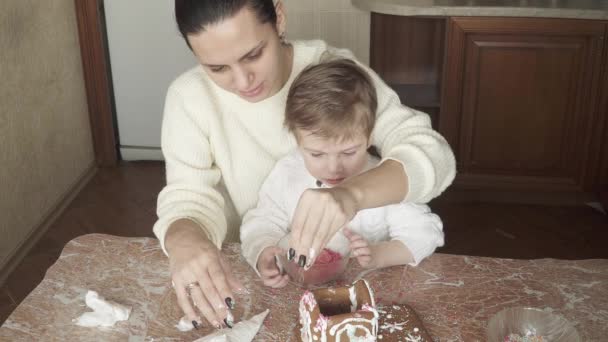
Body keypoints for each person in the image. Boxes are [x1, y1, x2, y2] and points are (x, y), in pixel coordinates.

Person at [155, 0, 455, 330]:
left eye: (253, 54)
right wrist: (185, 239)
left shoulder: (334, 74)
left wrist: (351, 195)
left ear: (279, 18)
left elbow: (433, 155)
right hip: (256, 281)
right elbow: (188, 196)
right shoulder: (189, 97)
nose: (243, 81)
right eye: (217, 68)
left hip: (353, 286)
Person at [240, 59, 445, 288]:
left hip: (370, 291)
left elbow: (426, 235)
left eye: (348, 152)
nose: (333, 167)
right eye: (316, 154)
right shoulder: (288, 172)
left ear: (369, 137)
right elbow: (262, 221)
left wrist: (378, 255)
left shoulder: (385, 179)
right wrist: (263, 252)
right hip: (300, 288)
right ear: (297, 140)